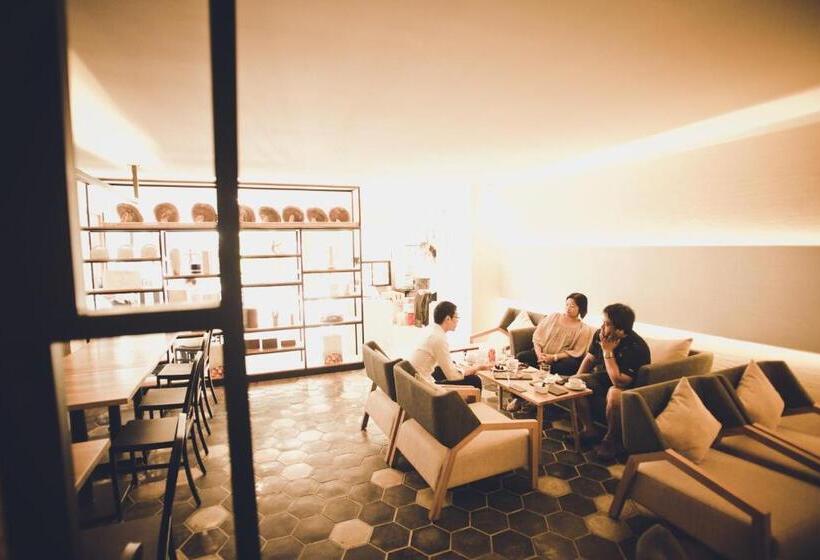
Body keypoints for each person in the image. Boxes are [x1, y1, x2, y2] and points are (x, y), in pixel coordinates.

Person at [574, 303, 650, 460]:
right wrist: (574, 381)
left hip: (630, 387)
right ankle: (589, 430)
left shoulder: (637, 347)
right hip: (603, 378)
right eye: (603, 322)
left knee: (614, 393)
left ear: (621, 330)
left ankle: (611, 439)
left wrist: (607, 351)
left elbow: (619, 381)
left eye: (607, 324)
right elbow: (590, 358)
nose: (602, 327)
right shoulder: (601, 334)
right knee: (576, 383)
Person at [408, 301, 488, 390]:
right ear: (448, 319)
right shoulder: (438, 338)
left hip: (414, 379)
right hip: (422, 386)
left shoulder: (431, 330)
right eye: (456, 317)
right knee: (475, 380)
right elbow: (452, 376)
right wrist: (476, 368)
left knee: (445, 368)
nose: (457, 320)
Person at [516, 293, 594, 375]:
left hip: (559, 360)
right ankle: (540, 369)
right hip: (541, 354)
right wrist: (539, 356)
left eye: (572, 306)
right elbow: (537, 337)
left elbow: (576, 352)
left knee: (569, 366)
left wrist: (553, 357)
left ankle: (542, 372)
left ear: (581, 308)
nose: (568, 308)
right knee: (520, 357)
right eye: (567, 305)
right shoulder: (554, 317)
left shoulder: (583, 329)